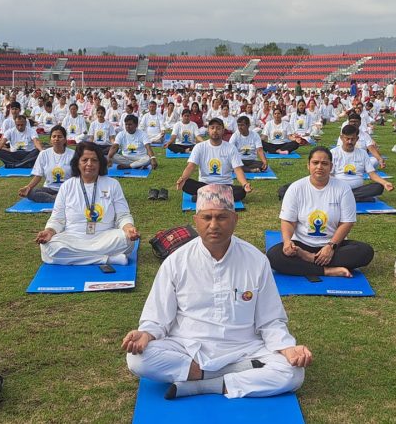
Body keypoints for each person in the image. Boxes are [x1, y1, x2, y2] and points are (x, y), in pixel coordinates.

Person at [123, 184, 310, 400]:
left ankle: (206, 384)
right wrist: (145, 334)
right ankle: (234, 372)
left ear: (234, 220)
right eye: (207, 217)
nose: (214, 225)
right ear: (196, 221)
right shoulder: (177, 261)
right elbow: (157, 318)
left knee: (293, 373)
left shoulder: (256, 260)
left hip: (244, 346)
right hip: (188, 345)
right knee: (137, 359)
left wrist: (287, 348)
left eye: (221, 217)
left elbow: (270, 320)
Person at [267, 147, 372, 278]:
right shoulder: (296, 188)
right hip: (301, 246)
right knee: (274, 256)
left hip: (333, 245)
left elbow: (347, 222)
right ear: (308, 165)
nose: (319, 167)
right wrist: (288, 242)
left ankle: (310, 260)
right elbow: (288, 221)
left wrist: (330, 246)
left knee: (365, 252)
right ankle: (328, 270)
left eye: (324, 163)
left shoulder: (343, 188)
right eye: (315, 163)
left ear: (331, 166)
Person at [36, 142, 139, 265]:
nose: (89, 164)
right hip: (73, 237)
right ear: (77, 163)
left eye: (94, 160)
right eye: (85, 160)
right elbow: (57, 219)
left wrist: (128, 228)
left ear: (100, 163)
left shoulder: (112, 184)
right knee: (48, 247)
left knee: (127, 241)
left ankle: (82, 257)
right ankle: (107, 259)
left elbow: (123, 215)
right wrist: (50, 231)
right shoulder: (67, 186)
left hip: (105, 236)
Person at [176, 118, 253, 202]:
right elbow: (191, 166)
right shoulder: (200, 147)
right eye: (212, 128)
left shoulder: (231, 148)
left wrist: (245, 184)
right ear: (208, 130)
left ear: (223, 131)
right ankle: (219, 197)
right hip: (205, 185)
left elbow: (237, 169)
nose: (215, 130)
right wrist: (182, 179)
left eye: (218, 128)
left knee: (241, 191)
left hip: (224, 185)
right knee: (186, 184)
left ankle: (204, 196)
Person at [326, 124, 393, 202]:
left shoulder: (363, 153)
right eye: (347, 139)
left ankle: (346, 197)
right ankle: (354, 197)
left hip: (358, 189)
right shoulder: (333, 153)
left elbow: (372, 174)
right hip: (339, 187)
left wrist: (385, 183)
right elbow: (329, 175)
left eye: (352, 139)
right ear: (341, 138)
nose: (350, 142)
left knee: (378, 187)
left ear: (357, 139)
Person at [18, 126, 74, 203]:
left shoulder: (73, 154)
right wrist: (28, 187)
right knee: (31, 192)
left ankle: (59, 198)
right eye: (54, 136)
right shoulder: (44, 154)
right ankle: (57, 199)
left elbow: (77, 176)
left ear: (65, 140)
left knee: (75, 194)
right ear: (50, 140)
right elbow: (38, 176)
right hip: (49, 189)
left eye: (60, 136)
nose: (56, 139)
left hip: (67, 189)